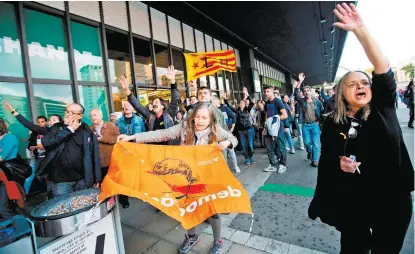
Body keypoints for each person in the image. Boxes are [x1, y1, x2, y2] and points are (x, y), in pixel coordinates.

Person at [308, 3, 414, 254]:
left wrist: (360, 30)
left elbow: (382, 67)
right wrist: (339, 163)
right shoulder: (333, 123)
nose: (360, 86)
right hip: (354, 201)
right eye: (352, 84)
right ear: (341, 93)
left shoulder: (382, 107)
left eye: (364, 82)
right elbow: (328, 158)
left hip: (392, 201)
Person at [118, 102, 237, 254]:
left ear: (211, 119)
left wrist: (227, 142)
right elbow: (162, 133)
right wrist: (133, 137)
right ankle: (191, 237)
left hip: (208, 177)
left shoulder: (216, 130)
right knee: (188, 207)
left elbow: (233, 139)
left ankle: (217, 241)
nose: (200, 121)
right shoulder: (185, 126)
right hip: (187, 176)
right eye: (198, 117)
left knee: (212, 210)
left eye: (204, 118)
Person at [37, 104, 101, 198]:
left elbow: (95, 156)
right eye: (66, 111)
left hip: (82, 179)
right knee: (64, 209)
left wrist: (97, 178)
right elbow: (46, 142)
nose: (67, 114)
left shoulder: (87, 131)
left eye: (71, 112)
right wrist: (69, 130)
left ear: (80, 116)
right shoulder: (57, 127)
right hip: (61, 181)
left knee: (81, 207)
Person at [2, 102, 63, 193]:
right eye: (50, 120)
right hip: (46, 162)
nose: (51, 121)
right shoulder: (45, 131)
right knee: (51, 186)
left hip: (63, 167)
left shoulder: (66, 132)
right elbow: (27, 124)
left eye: (54, 120)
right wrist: (13, 111)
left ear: (60, 122)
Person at [121, 66, 179, 145]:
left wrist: (172, 81)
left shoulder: (169, 114)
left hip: (169, 148)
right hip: (154, 150)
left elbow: (175, 99)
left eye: (156, 102)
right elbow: (138, 106)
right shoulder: (150, 116)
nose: (154, 104)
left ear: (162, 106)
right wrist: (127, 90)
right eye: (153, 103)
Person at [294, 74, 324, 167]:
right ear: (303, 93)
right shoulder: (302, 101)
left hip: (315, 125)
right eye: (305, 91)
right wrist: (300, 82)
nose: (306, 92)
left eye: (308, 91)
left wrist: (320, 121)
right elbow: (296, 94)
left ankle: (315, 160)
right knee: (307, 142)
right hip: (305, 125)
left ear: (310, 92)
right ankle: (309, 151)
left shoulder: (317, 102)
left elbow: (322, 112)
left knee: (316, 143)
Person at [224, 88, 255, 165]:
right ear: (238, 105)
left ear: (245, 105)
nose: (241, 104)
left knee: (250, 145)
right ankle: (247, 158)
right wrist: (225, 99)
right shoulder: (237, 111)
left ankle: (251, 157)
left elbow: (251, 103)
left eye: (243, 103)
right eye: (240, 103)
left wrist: (247, 95)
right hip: (241, 131)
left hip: (249, 129)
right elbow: (229, 106)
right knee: (244, 145)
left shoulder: (247, 110)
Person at [261, 85, 288, 173]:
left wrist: (275, 119)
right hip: (269, 129)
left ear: (272, 91)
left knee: (281, 147)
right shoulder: (267, 103)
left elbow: (285, 115)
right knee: (269, 148)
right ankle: (272, 164)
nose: (266, 93)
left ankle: (282, 164)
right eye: (265, 92)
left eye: (268, 91)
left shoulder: (278, 101)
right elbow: (266, 115)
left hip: (278, 129)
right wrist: (265, 127)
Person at [212, 96, 240, 173]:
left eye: (214, 102)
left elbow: (234, 116)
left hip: (226, 132)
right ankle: (222, 169)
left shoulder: (224, 108)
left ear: (218, 102)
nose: (213, 104)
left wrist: (232, 127)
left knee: (231, 150)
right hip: (216, 134)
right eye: (212, 102)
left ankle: (235, 166)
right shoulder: (211, 111)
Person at [90, 109, 120, 178]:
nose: (93, 117)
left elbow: (118, 139)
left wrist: (103, 139)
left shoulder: (111, 126)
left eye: (95, 115)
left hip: (111, 162)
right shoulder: (90, 129)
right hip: (98, 164)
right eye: (91, 116)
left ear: (101, 116)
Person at [0, 118, 20, 219]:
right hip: (2, 175)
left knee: (5, 207)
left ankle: (19, 228)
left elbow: (1, 157)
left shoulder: (10, 138)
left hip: (8, 174)